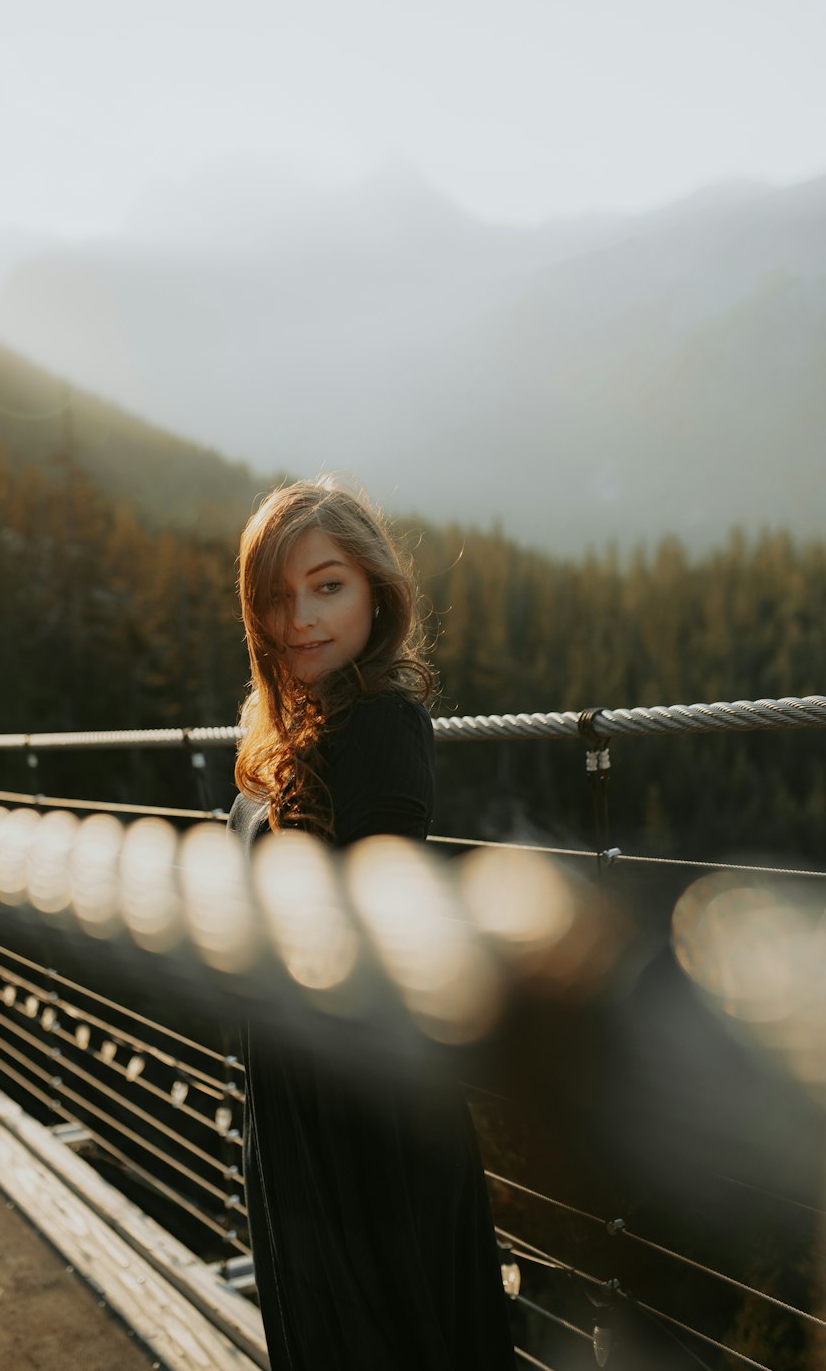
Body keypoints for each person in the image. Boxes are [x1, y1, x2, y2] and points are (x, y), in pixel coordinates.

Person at [228, 476, 516, 1370]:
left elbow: (369, 909)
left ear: (376, 592)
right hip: (300, 1090)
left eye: (328, 586)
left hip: (359, 1109)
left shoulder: (384, 719)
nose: (302, 618)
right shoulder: (285, 724)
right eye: (279, 596)